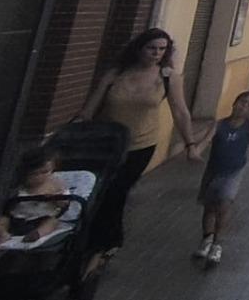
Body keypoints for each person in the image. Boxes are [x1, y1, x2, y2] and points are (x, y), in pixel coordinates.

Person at [76, 28, 202, 265]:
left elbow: (180, 112)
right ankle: (108, 238)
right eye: (151, 48)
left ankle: (103, 242)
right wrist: (78, 128)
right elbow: (90, 109)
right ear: (139, 48)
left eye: (162, 49)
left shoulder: (168, 77)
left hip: (141, 145)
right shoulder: (116, 74)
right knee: (100, 190)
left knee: (116, 189)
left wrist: (190, 144)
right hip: (107, 143)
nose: (156, 53)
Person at [0, 146, 95, 252]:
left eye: (46, 172)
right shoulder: (21, 185)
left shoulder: (55, 184)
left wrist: (55, 199)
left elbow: (65, 204)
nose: (41, 176)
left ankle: (37, 234)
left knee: (53, 222)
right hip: (16, 218)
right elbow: (9, 204)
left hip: (39, 219)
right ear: (27, 172)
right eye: (35, 174)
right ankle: (2, 234)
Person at [194, 90, 249, 266]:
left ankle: (217, 244)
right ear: (234, 103)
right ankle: (207, 239)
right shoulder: (219, 124)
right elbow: (206, 139)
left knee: (224, 204)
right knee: (209, 207)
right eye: (242, 102)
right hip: (213, 171)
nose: (243, 107)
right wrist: (195, 151)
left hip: (234, 172)